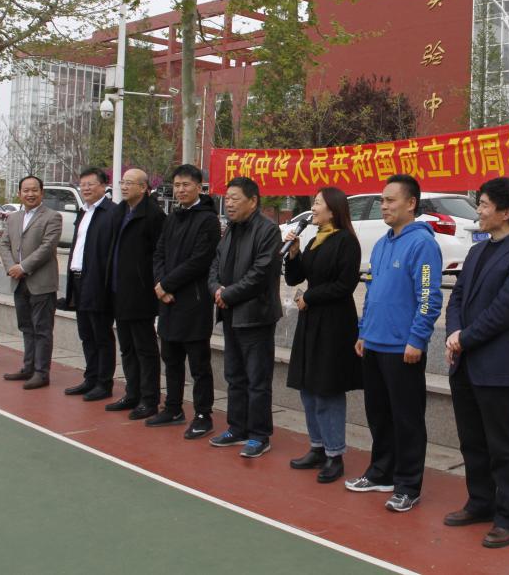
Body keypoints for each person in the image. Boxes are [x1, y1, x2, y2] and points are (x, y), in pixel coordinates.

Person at [443, 177, 509, 549]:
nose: (479, 211)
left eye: (484, 204)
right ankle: (480, 502)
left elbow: (506, 312)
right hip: (465, 361)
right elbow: (458, 297)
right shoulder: (478, 250)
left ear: (505, 212)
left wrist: (464, 338)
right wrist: (454, 333)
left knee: (503, 445)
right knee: (472, 440)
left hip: (496, 364)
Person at [346, 174, 442, 513]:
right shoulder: (382, 244)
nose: (383, 206)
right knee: (379, 416)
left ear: (411, 203)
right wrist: (363, 331)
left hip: (403, 349)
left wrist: (417, 338)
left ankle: (408, 485)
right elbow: (372, 291)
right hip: (374, 343)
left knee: (407, 420)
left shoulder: (423, 244)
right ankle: (381, 473)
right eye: (382, 200)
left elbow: (429, 296)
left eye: (390, 200)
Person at [283, 187, 363, 483]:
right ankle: (317, 447)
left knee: (327, 388)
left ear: (333, 209)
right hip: (311, 321)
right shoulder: (315, 238)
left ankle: (334, 454)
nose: (313, 208)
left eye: (317, 203)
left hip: (334, 323)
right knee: (308, 386)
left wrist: (310, 297)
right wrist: (293, 254)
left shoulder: (346, 241)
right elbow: (295, 277)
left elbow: (345, 285)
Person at [207, 176, 282, 459]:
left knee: (257, 379)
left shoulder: (268, 230)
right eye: (227, 198)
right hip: (230, 314)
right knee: (234, 376)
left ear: (253, 201)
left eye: (235, 199)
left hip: (255, 316)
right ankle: (236, 427)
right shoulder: (230, 229)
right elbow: (215, 265)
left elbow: (261, 273)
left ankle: (259, 435)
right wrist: (216, 289)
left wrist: (228, 294)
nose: (229, 204)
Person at [149, 164, 220, 437]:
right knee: (171, 358)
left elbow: (200, 261)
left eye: (186, 185)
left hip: (194, 302)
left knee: (199, 364)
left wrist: (166, 284)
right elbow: (159, 253)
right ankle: (173, 408)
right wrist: (160, 285)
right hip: (168, 301)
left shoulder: (208, 220)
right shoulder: (173, 217)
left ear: (199, 187)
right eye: (177, 185)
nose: (180, 190)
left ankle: (203, 415)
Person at [104, 168, 166, 421]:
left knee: (145, 348)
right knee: (127, 347)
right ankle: (132, 393)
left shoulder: (153, 215)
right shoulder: (119, 211)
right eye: (122, 182)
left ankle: (149, 399)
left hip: (141, 292)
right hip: (118, 290)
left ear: (144, 187)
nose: (124, 186)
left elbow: (160, 255)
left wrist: (155, 284)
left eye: (130, 183)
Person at [0, 175, 62, 390]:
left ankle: (41, 373)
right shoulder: (13, 218)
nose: (30, 194)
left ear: (42, 193)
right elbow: (4, 244)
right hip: (18, 282)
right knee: (26, 326)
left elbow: (47, 247)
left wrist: (23, 267)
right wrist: (11, 267)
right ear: (19, 193)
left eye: (34, 190)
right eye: (26, 190)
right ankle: (28, 367)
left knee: (42, 329)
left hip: (41, 282)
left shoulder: (52, 217)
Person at [61, 167, 117, 402]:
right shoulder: (83, 211)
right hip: (78, 279)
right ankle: (91, 378)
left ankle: (104, 383)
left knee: (101, 334)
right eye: (82, 184)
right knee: (86, 334)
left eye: (90, 184)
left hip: (98, 282)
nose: (85, 188)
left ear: (103, 186)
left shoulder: (112, 213)